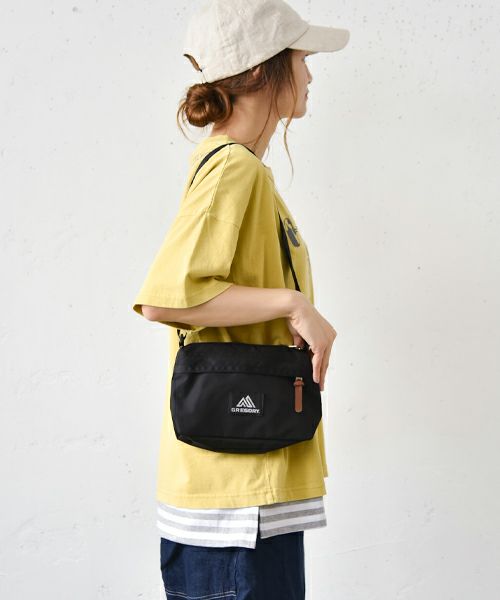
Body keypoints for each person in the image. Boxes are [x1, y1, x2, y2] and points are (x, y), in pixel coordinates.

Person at [132, 1, 349, 598]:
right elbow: (165, 300)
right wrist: (294, 304)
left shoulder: (243, 169)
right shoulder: (235, 170)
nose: (309, 74)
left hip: (248, 483)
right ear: (261, 69)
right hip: (234, 508)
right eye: (300, 59)